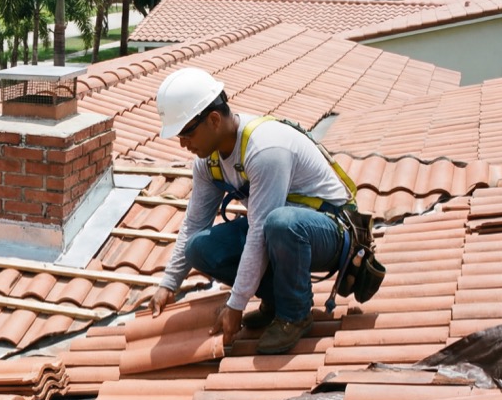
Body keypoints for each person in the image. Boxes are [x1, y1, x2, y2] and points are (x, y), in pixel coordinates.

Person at [147, 67, 351, 355]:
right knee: (199, 247)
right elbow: (193, 224)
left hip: (327, 232)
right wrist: (169, 283)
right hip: (278, 230)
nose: (182, 143)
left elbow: (260, 230)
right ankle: (276, 300)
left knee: (279, 223)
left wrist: (236, 303)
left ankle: (295, 313)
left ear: (214, 119)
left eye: (186, 133)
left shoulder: (264, 149)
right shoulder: (208, 162)